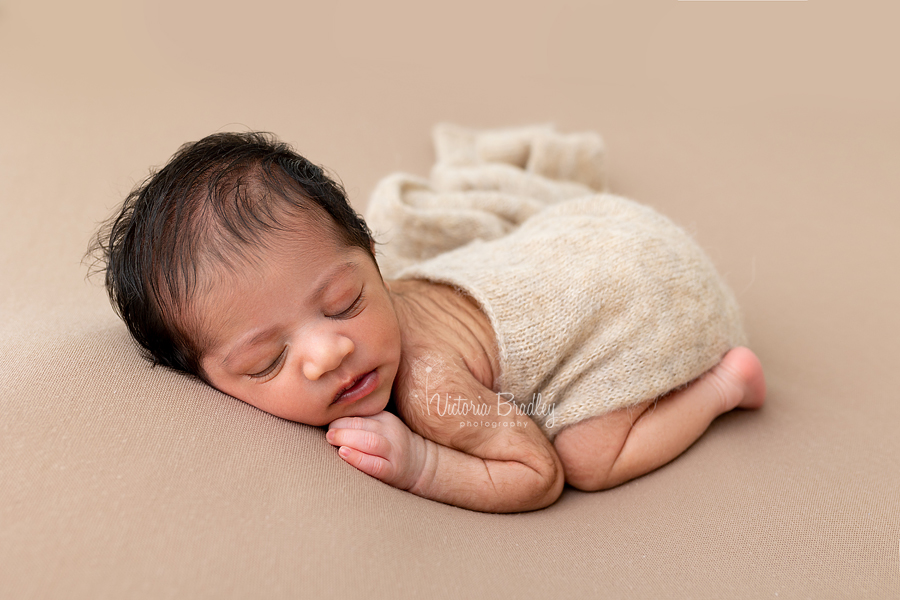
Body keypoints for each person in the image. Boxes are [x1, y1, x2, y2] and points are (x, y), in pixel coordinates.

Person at [89, 128, 765, 514]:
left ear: (374, 257)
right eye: (267, 360)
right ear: (205, 378)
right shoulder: (355, 298)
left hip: (655, 294)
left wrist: (421, 466)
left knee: (585, 458)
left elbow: (537, 475)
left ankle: (724, 387)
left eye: (346, 302)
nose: (330, 352)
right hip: (594, 229)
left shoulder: (431, 387)